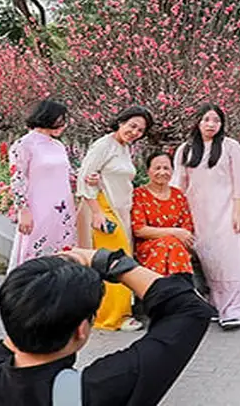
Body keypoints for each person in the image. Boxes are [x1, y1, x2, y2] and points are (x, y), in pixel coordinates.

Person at [0, 247, 216, 406]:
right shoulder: (100, 391)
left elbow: (12, 341)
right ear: (81, 329)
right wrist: (109, 261)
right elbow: (190, 309)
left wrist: (43, 286)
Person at [172, 105, 240, 330]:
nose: (211, 125)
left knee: (229, 262)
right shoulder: (186, 150)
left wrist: (238, 210)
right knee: (209, 262)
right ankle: (217, 307)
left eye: (215, 120)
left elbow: (239, 181)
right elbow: (178, 183)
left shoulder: (230, 147)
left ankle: (235, 310)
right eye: (206, 119)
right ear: (197, 121)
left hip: (226, 213)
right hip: (197, 215)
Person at [75, 105, 152, 332]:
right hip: (104, 210)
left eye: (140, 130)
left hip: (121, 210)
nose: (135, 131)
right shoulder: (103, 145)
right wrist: (97, 212)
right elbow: (83, 178)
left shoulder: (124, 147)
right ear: (121, 122)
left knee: (118, 260)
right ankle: (112, 317)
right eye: (132, 125)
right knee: (115, 263)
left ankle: (114, 312)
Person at [8, 100, 78, 271]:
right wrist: (23, 210)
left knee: (62, 251)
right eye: (61, 119)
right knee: (34, 251)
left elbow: (68, 174)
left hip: (63, 209)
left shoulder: (58, 146)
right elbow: (17, 178)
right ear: (48, 116)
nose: (64, 124)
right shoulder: (24, 144)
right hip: (38, 209)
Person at [132, 152, 196, 276]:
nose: (162, 172)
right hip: (149, 246)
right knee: (169, 244)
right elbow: (139, 229)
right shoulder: (139, 194)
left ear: (172, 171)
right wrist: (173, 232)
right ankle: (182, 288)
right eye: (157, 168)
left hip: (176, 246)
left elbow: (187, 229)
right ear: (148, 171)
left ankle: (162, 290)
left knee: (172, 245)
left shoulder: (178, 195)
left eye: (166, 168)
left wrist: (175, 236)